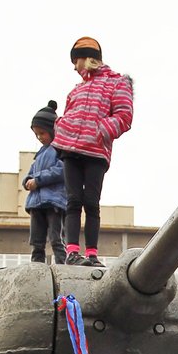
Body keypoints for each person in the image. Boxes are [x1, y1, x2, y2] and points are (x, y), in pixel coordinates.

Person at [53, 36, 134, 267]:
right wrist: (61, 126)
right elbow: (68, 112)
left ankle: (91, 254)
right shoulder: (76, 90)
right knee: (72, 201)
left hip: (96, 150)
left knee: (91, 202)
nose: (74, 67)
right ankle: (72, 252)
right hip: (70, 149)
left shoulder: (116, 83)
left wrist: (101, 130)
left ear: (86, 59)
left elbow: (124, 115)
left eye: (75, 61)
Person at [23, 101, 67, 265]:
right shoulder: (40, 154)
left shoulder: (59, 149)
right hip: (36, 203)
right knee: (36, 240)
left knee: (56, 238)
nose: (40, 137)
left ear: (52, 131)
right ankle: (37, 267)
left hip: (54, 201)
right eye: (37, 134)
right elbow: (30, 172)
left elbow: (61, 170)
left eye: (42, 133)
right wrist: (27, 181)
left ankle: (63, 265)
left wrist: (38, 180)